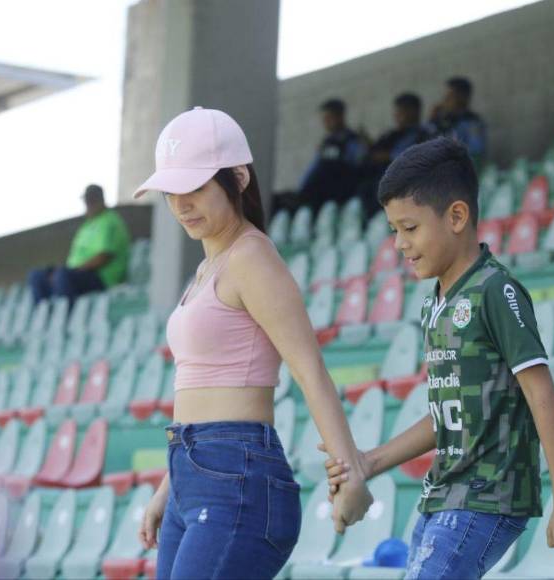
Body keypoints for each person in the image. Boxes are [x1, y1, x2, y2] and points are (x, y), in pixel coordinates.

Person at [323, 138, 554, 579]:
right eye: (394, 230)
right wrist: (369, 462)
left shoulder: (495, 291)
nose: (398, 244)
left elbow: (541, 394)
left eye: (409, 228)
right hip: (442, 496)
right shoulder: (436, 303)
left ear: (456, 216)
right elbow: (449, 416)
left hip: (486, 498)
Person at [134, 107, 374, 579]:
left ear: (238, 177)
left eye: (196, 188)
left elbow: (309, 369)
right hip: (191, 471)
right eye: (171, 192)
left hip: (237, 478)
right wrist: (168, 488)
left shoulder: (252, 258)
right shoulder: (207, 268)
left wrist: (351, 473)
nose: (181, 205)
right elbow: (197, 391)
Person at [28, 184, 130, 305]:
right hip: (77, 273)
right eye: (87, 201)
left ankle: (69, 314)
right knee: (37, 276)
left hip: (101, 277)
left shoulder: (110, 221)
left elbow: (103, 256)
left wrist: (74, 270)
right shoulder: (87, 225)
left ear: (100, 199)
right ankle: (46, 315)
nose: (88, 204)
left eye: (92, 200)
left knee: (62, 276)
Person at [356, 92, 430, 221]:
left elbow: (412, 156)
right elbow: (373, 153)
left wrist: (387, 156)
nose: (396, 115)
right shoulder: (391, 134)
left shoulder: (424, 133)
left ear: (413, 111)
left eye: (400, 111)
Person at [299, 98, 366, 211]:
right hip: (321, 192)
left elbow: (357, 163)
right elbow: (313, 169)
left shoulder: (352, 139)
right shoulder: (326, 143)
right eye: (324, 119)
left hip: (343, 190)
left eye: (329, 118)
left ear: (340, 116)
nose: (326, 122)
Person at [427, 77, 487, 166]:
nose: (445, 101)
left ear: (463, 98)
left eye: (450, 97)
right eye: (445, 97)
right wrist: (433, 121)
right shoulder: (444, 122)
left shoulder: (472, 123)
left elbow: (475, 154)